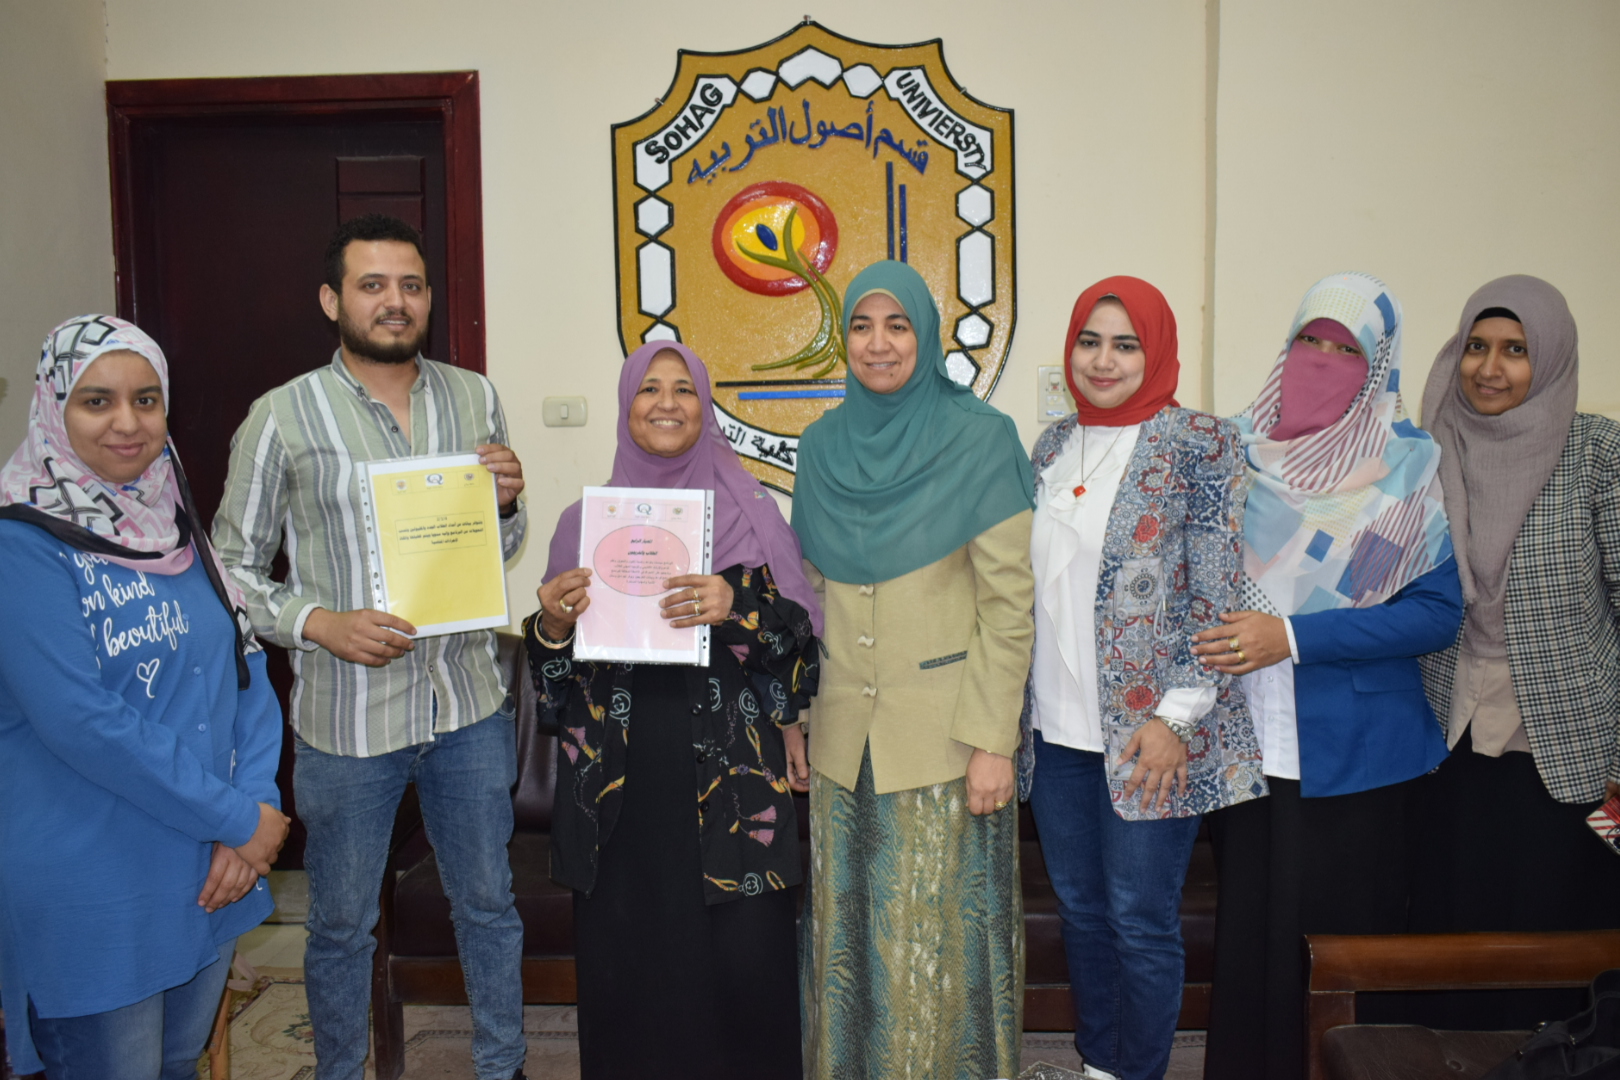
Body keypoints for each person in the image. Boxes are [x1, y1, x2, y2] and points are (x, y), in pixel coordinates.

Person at [212, 215, 529, 1080]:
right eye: (373, 285)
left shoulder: (474, 397)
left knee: (489, 907)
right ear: (332, 299)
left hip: (466, 705)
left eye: (411, 285)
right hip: (347, 722)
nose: (396, 301)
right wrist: (320, 622)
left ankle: (503, 1066)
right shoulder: (282, 416)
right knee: (342, 926)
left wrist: (506, 504)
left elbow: (498, 546)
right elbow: (230, 570)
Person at [0, 316, 287, 1080]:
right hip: (96, 884)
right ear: (53, 407)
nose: (127, 423)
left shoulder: (176, 525)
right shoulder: (21, 543)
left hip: (206, 870)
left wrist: (254, 809)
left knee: (175, 1066)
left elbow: (245, 670)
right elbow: (82, 721)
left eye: (146, 399)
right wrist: (238, 820)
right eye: (97, 401)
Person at [1194, 272, 1463, 1080]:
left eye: (1346, 349)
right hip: (1244, 747)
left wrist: (1294, 637)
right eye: (1308, 339)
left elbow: (1434, 615)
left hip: (1361, 757)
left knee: (1341, 952)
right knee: (1251, 943)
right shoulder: (1231, 455)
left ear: (1379, 367)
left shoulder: (1405, 472)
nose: (1321, 359)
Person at [527, 342, 820, 1079]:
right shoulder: (582, 525)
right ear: (627, 407)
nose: (667, 403)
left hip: (735, 786)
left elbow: (800, 656)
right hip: (618, 790)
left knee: (744, 970)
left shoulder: (753, 515)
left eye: (684, 389)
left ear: (705, 406)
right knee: (632, 973)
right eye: (649, 389)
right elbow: (553, 690)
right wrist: (552, 627)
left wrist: (737, 602)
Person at [793, 260, 1036, 1080]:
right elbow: (810, 597)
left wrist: (994, 741)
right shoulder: (822, 446)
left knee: (936, 953)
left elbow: (1008, 605)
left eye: (897, 326)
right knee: (848, 950)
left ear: (925, 337)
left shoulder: (981, 438)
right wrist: (799, 717)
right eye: (862, 326)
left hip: (947, 743)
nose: (878, 344)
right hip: (842, 741)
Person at [1021, 278, 1263, 1080]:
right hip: (1057, 732)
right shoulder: (1053, 446)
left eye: (1125, 344)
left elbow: (1217, 597)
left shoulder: (1200, 443)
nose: (1103, 360)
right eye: (1089, 341)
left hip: (1151, 733)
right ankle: (1100, 1066)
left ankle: (1140, 1071)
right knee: (1083, 915)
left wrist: (1177, 719)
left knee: (1139, 921)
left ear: (1154, 351)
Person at [1403, 276, 1620, 1026]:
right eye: (1476, 347)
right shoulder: (1427, 452)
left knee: (1552, 938)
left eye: (1516, 351)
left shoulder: (1597, 451)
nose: (1489, 368)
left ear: (1550, 358)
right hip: (1443, 726)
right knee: (1450, 924)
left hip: (1567, 738)